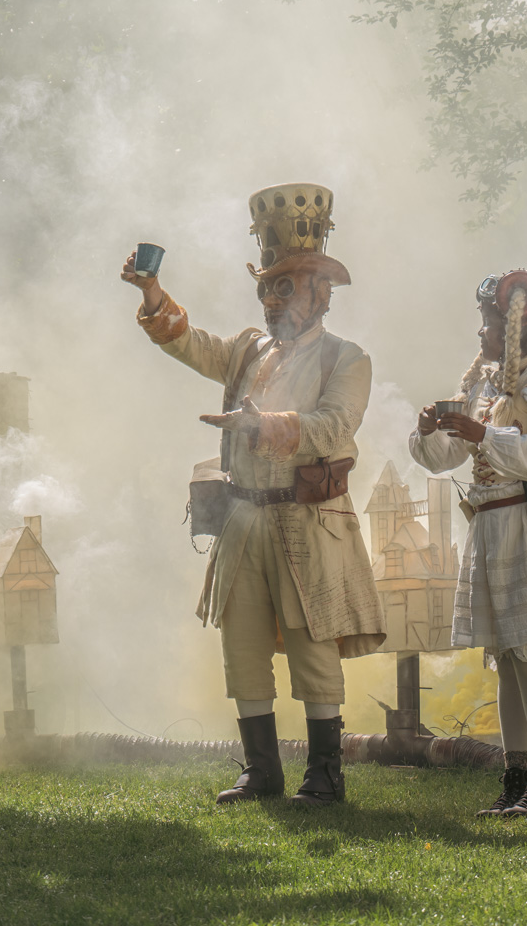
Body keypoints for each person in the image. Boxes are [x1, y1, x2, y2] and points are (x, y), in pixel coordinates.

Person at [123, 183, 385, 807]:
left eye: (285, 286)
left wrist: (261, 426)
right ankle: (261, 772)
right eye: (266, 286)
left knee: (311, 646)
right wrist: (152, 295)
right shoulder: (247, 348)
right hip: (244, 516)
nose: (272, 298)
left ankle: (325, 776)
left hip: (308, 521)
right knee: (240, 645)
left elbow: (332, 429)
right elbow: (194, 345)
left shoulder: (349, 359)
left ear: (321, 291)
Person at [408, 269, 527, 819]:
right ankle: (517, 778)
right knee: (509, 661)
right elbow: (445, 459)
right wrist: (431, 431)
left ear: (519, 330)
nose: (482, 335)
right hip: (492, 528)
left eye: (489, 324)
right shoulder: (487, 388)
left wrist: (483, 436)